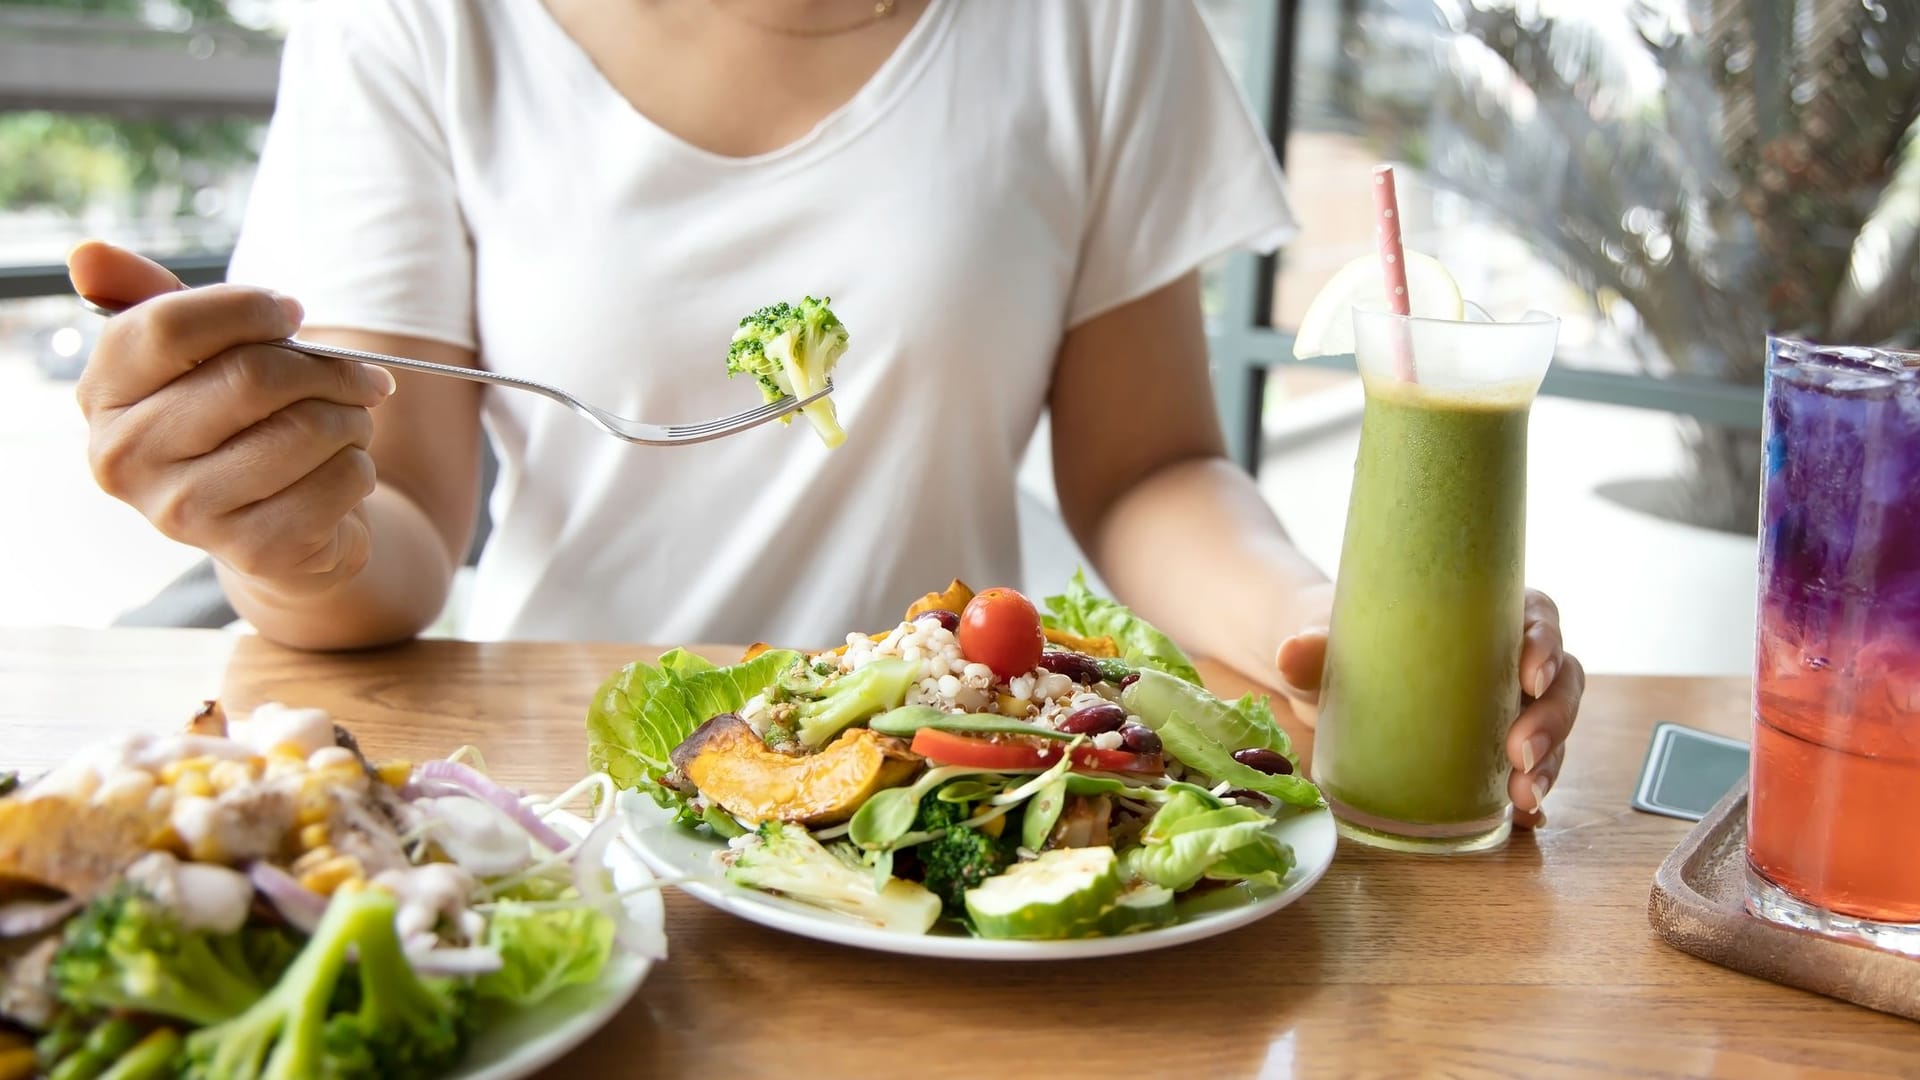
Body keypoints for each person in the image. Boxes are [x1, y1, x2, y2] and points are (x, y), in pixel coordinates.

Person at [66, 0, 1582, 824]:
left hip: (969, 788)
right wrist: (273, 518)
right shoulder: (414, 23)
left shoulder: (1100, 22)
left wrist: (1329, 618)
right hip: (557, 806)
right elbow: (397, 527)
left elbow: (1151, 469)